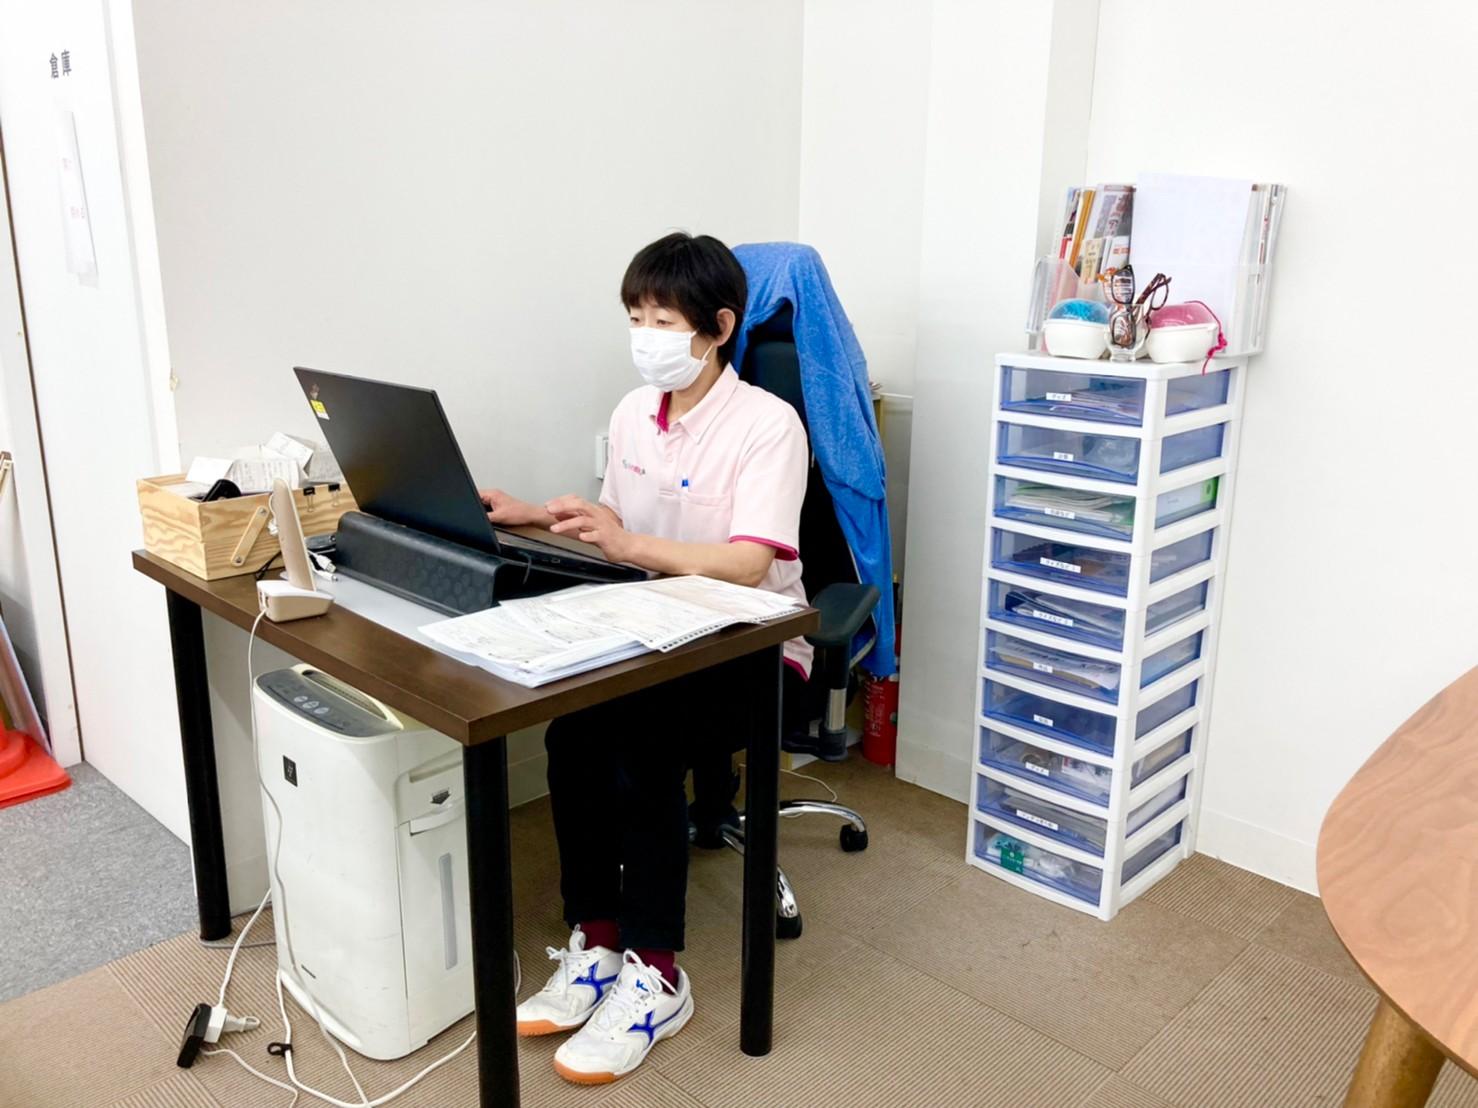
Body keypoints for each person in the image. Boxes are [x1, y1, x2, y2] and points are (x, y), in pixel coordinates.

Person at [479, 232, 812, 1085]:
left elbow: (749, 563)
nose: (645, 336)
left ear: (718, 328)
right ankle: (596, 940)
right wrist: (534, 515)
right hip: (655, 631)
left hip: (754, 645)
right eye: (636, 318)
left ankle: (657, 974)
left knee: (645, 743)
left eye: (663, 321)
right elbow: (617, 528)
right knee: (571, 732)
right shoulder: (634, 413)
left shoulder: (769, 426)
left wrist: (630, 545)